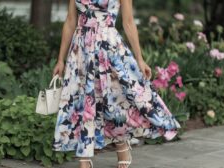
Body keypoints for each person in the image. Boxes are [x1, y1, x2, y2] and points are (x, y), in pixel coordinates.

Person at [51, 0, 181, 168]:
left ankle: (121, 141)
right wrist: (60, 59)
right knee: (82, 100)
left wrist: (140, 60)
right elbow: (70, 20)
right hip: (81, 50)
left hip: (109, 49)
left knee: (117, 98)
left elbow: (128, 22)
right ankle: (84, 158)